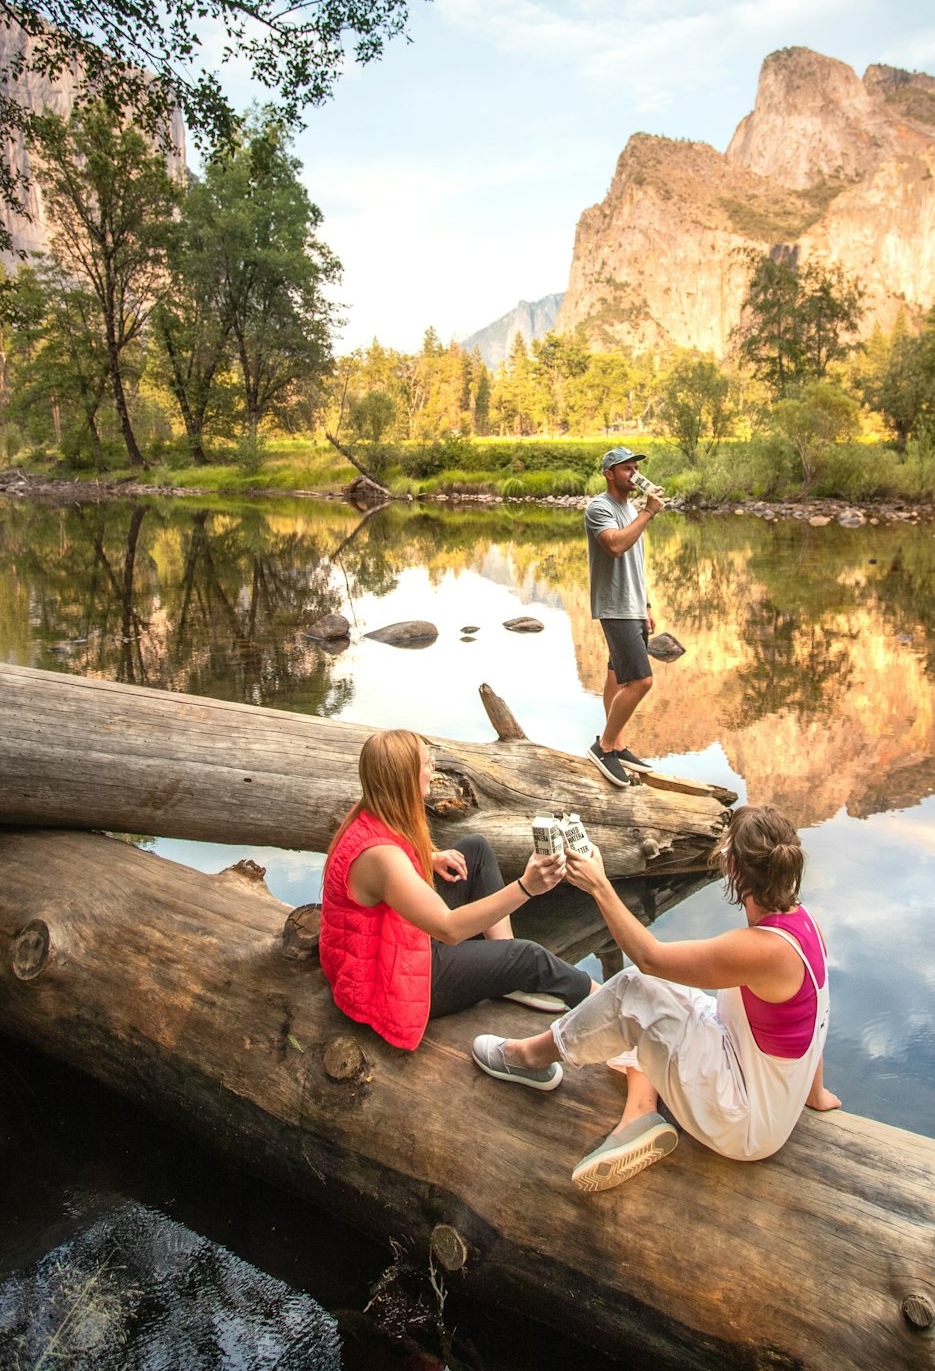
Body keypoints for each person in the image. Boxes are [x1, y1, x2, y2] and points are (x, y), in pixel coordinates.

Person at [472, 806, 841, 1191]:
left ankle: (528, 1058)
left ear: (733, 866)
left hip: (744, 1127)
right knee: (666, 994)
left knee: (635, 988)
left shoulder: (759, 948)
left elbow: (650, 959)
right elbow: (817, 1015)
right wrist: (813, 1094)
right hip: (764, 1098)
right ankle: (639, 1113)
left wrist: (599, 886)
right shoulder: (804, 925)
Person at [320, 729, 594, 1052]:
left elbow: (391, 869)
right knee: (529, 957)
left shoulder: (373, 810)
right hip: (391, 981)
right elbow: (448, 929)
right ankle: (604, 998)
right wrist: (526, 887)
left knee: (474, 851)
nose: (434, 769)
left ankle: (505, 967)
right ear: (405, 778)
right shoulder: (382, 858)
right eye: (427, 763)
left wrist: (430, 857)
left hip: (390, 945)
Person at [584, 445, 664, 787]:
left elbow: (636, 563)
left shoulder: (629, 507)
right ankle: (603, 747)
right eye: (626, 468)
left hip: (631, 606)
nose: (633, 473)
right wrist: (648, 514)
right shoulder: (598, 508)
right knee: (641, 681)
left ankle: (616, 744)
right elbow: (615, 546)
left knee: (616, 676)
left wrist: (645, 605)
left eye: (634, 467)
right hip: (614, 607)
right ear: (609, 474)